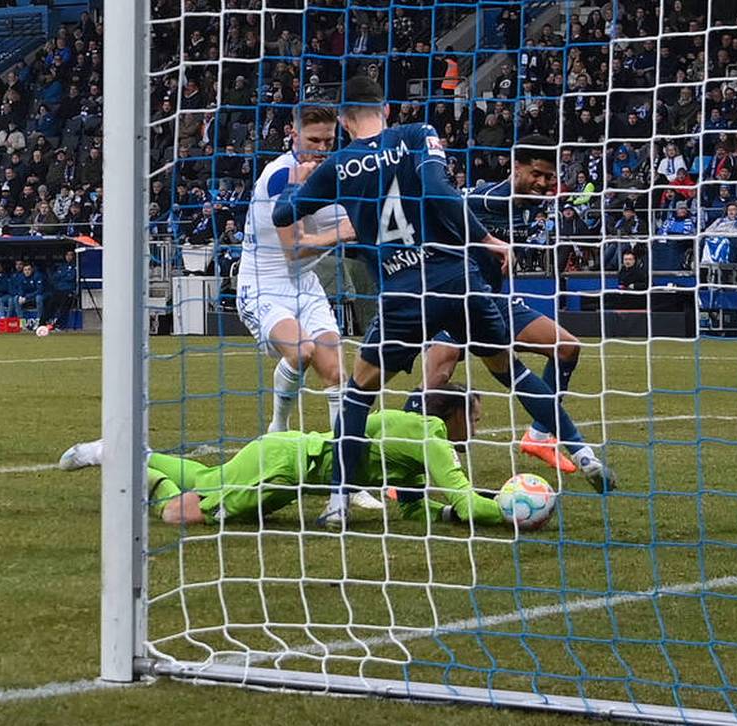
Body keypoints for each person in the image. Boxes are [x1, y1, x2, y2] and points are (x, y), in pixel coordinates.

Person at [272, 76, 614, 528]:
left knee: (358, 395)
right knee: (513, 371)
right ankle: (583, 453)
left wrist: (302, 183)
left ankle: (339, 501)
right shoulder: (417, 136)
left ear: (343, 119)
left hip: (400, 291)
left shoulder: (338, 165)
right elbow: (437, 192)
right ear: (387, 109)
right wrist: (489, 239)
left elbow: (282, 215)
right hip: (456, 278)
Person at [59, 385, 527, 529]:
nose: (478, 429)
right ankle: (135, 473)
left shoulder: (406, 428)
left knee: (207, 474)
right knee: (178, 514)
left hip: (283, 451)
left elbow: (407, 503)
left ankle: (113, 451)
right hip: (285, 471)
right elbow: (468, 502)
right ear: (451, 413)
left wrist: (439, 510)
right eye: (476, 419)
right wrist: (507, 510)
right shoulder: (434, 439)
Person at [462, 134, 588, 474]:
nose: (544, 183)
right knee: (437, 373)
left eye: (549, 177)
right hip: (453, 299)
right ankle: (412, 469)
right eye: (536, 174)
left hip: (495, 301)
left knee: (566, 347)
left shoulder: (533, 202)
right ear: (515, 167)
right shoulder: (485, 199)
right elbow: (441, 205)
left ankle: (539, 435)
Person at [238, 106, 356, 451]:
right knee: (302, 350)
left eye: (328, 141)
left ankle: (343, 473)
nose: (320, 148)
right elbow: (295, 250)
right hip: (263, 285)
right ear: (293, 134)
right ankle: (279, 426)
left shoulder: (336, 172)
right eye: (313, 140)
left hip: (306, 285)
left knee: (336, 375)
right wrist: (346, 232)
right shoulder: (281, 177)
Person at [12, 261, 45, 325]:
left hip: (37, 296)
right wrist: (21, 296)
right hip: (28, 298)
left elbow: (40, 290)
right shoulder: (21, 277)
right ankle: (22, 322)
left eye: (29, 269)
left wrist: (26, 297)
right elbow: (21, 289)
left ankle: (38, 320)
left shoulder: (37, 276)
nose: (27, 271)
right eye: (25, 270)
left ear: (32, 270)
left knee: (39, 298)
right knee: (16, 298)